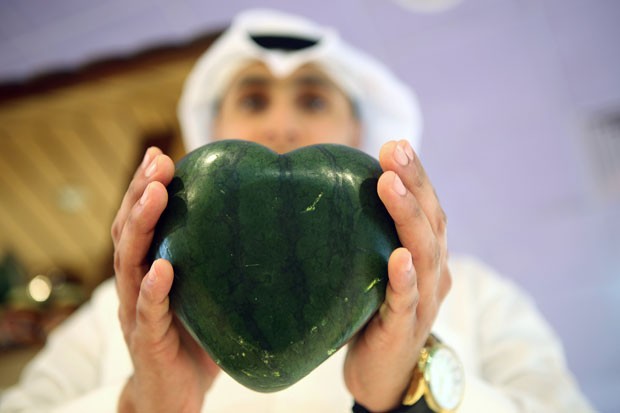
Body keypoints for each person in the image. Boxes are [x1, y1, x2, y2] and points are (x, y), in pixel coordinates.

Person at [0, 9, 594, 413]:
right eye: (253, 97)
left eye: (313, 97)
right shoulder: (120, 310)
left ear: (359, 130)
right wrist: (140, 405)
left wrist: (406, 389)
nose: (282, 122)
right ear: (212, 133)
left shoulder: (478, 295)